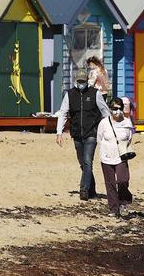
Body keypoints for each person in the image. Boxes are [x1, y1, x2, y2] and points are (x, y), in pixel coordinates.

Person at [56, 67, 106, 201]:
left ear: (87, 81)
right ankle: (92, 190)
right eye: (79, 81)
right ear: (75, 81)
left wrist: (105, 131)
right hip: (77, 134)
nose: (81, 83)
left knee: (88, 161)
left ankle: (83, 190)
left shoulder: (95, 93)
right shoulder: (70, 94)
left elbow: (105, 112)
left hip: (92, 133)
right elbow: (63, 114)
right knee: (83, 163)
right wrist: (59, 133)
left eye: (83, 81)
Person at [96, 97, 135, 218]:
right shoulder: (104, 123)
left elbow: (129, 138)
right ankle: (114, 208)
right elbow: (99, 138)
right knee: (110, 183)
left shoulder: (127, 122)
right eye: (114, 109)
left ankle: (124, 202)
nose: (117, 111)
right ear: (110, 109)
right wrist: (104, 152)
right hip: (106, 156)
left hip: (121, 156)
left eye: (119, 109)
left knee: (122, 180)